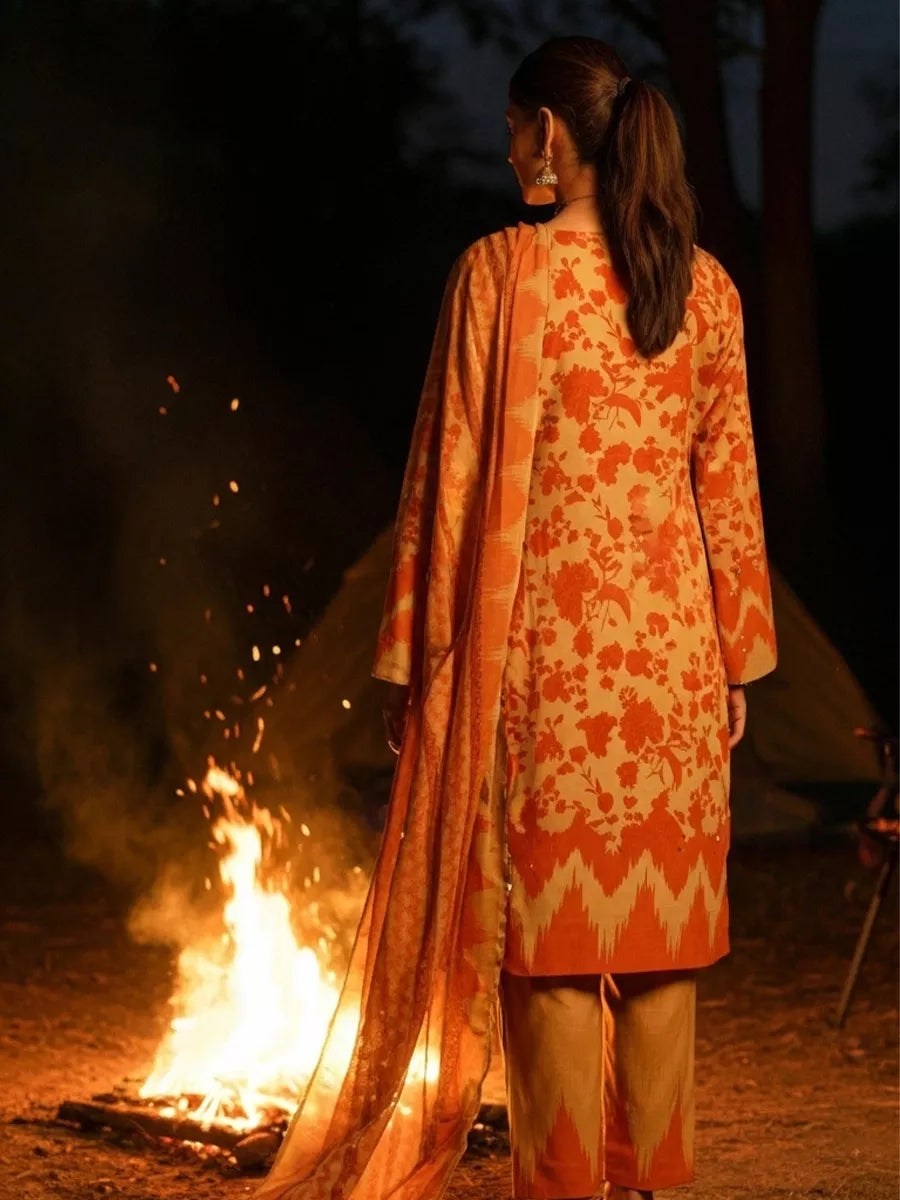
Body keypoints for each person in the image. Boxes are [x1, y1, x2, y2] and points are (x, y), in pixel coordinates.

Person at [256, 34, 777, 1200]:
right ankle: (650, 1187)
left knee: (551, 952)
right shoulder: (707, 287)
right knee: (662, 944)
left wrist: (412, 660)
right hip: (676, 669)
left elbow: (441, 483)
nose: (506, 153)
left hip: (548, 667)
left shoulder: (502, 273)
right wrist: (739, 662)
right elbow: (732, 491)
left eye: (510, 130)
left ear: (549, 131)